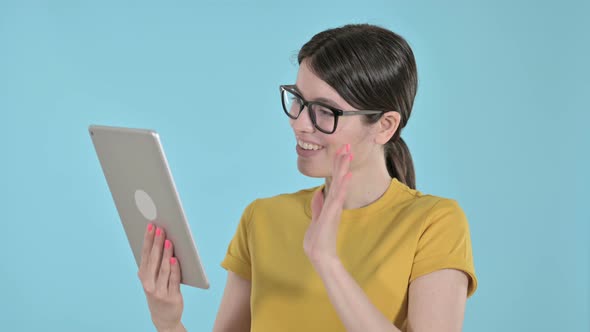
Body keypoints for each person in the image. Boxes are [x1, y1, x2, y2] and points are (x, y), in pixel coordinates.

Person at [137, 23, 478, 332]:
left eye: (325, 111)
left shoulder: (434, 223)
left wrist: (327, 262)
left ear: (385, 126)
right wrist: (167, 322)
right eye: (299, 100)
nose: (300, 122)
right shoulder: (262, 218)